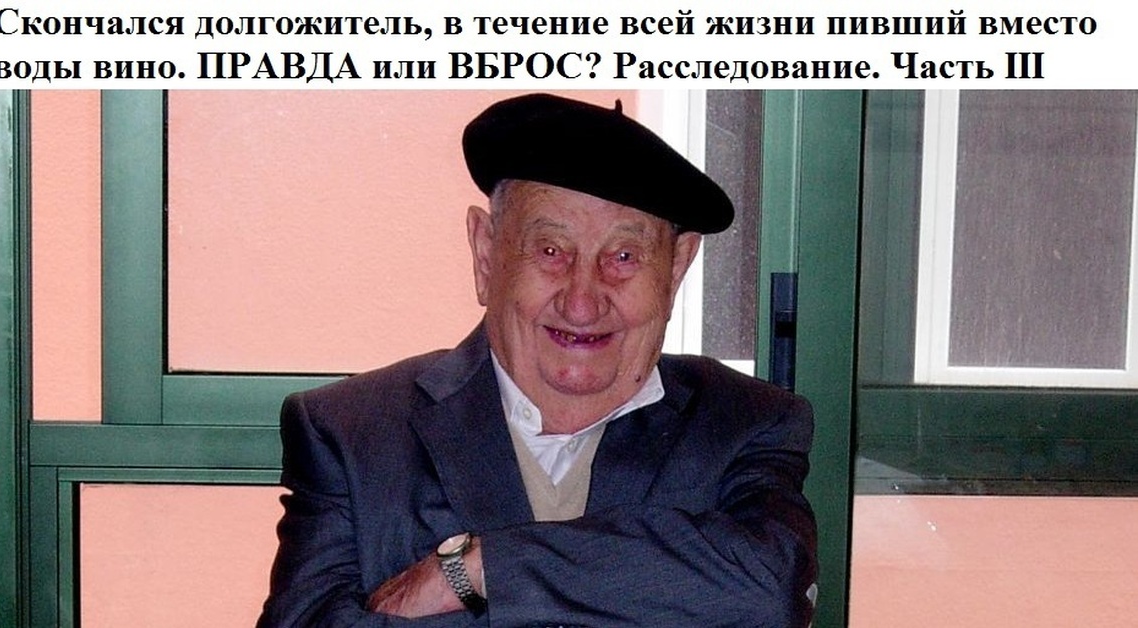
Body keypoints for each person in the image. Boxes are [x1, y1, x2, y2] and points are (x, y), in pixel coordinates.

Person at [256, 93, 817, 627]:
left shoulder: (745, 422)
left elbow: (770, 595)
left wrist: (480, 570)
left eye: (624, 256)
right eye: (550, 251)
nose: (582, 301)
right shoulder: (352, 433)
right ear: (485, 254)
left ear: (674, 270)